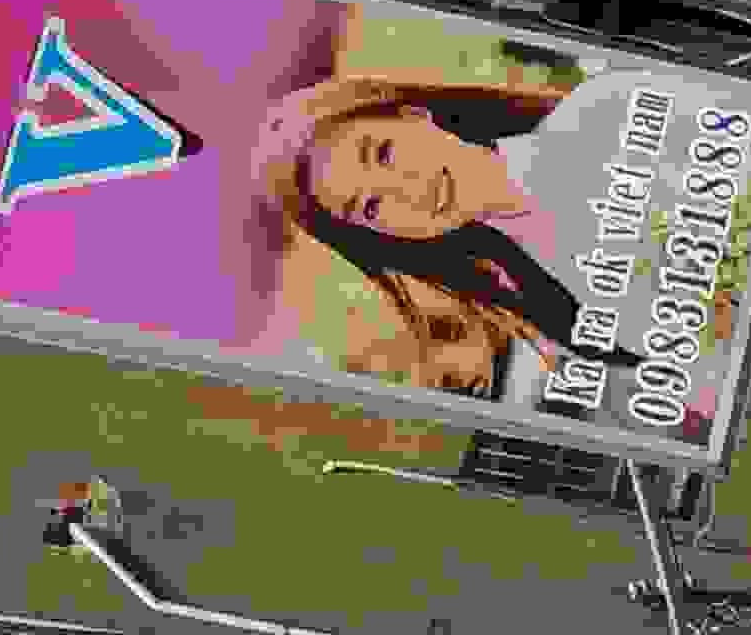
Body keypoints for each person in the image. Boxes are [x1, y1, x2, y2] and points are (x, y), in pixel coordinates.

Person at [260, 67, 704, 418]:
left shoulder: (604, 111)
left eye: (384, 153)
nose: (407, 190)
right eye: (371, 207)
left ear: (412, 114)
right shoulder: (528, 301)